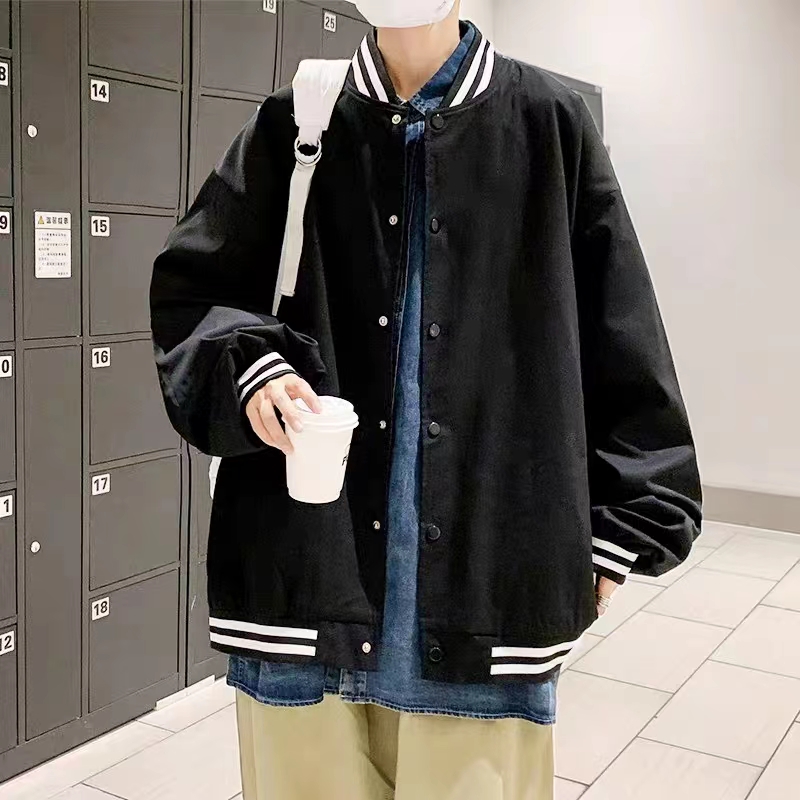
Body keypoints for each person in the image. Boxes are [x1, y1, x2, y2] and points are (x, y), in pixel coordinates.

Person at [150, 1, 702, 797]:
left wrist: (625, 525)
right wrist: (256, 371)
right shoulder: (296, 121)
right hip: (305, 587)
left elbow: (622, 332)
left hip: (486, 594)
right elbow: (194, 291)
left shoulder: (549, 122)